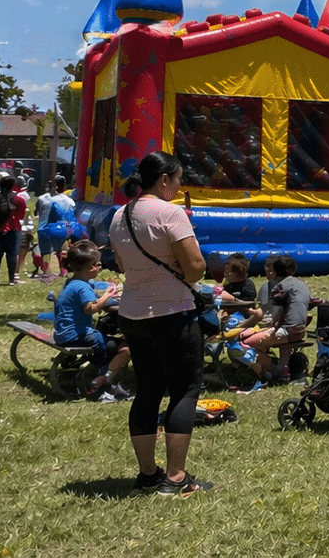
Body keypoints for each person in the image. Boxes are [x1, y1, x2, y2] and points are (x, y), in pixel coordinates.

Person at [110, 151, 212, 493]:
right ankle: (176, 477)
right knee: (185, 390)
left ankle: (148, 475)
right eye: (178, 179)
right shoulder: (171, 213)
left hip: (132, 313)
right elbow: (196, 267)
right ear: (164, 179)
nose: (180, 185)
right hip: (172, 312)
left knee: (147, 390)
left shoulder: (119, 215)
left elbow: (122, 265)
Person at [54, 240, 131, 400]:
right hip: (76, 335)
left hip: (61, 333)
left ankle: (96, 366)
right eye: (98, 264)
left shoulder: (72, 282)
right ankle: (101, 368)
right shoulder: (83, 287)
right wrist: (107, 296)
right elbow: (90, 308)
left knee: (101, 336)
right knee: (103, 342)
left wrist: (100, 299)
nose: (100, 266)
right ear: (91, 267)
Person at [238, 255, 310, 386]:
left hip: (284, 331)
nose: (268, 270)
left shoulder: (280, 287)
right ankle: (281, 366)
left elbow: (275, 315)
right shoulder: (301, 285)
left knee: (244, 343)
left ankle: (274, 370)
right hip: (299, 330)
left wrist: (272, 326)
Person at [0, 172, 27, 285]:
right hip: (14, 228)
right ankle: (11, 280)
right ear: (13, 185)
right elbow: (21, 216)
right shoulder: (19, 199)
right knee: (12, 255)